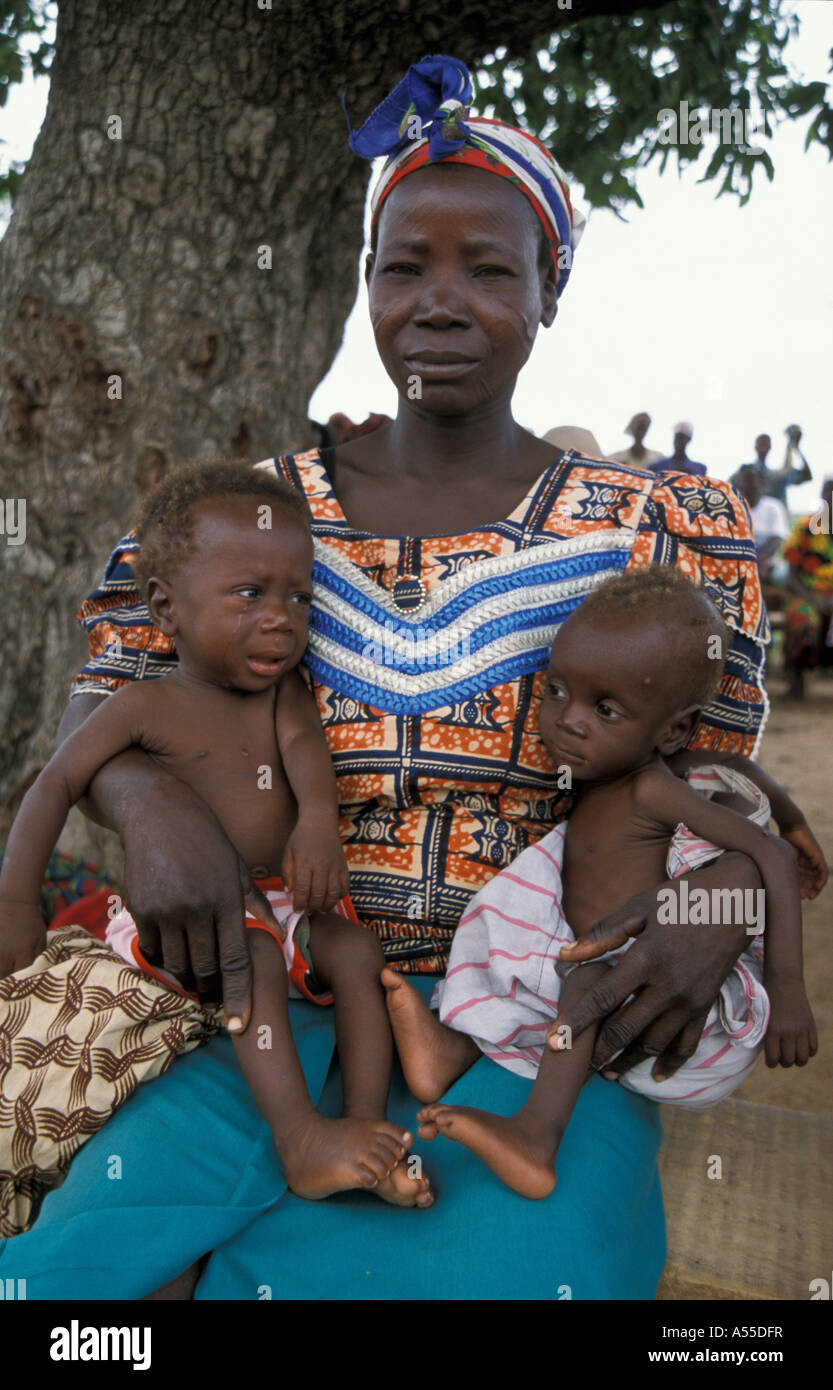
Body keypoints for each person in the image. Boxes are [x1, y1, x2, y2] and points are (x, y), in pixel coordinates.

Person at [0, 54, 773, 1301]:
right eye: (403, 264)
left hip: (537, 1026)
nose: (440, 301)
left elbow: (722, 778)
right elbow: (115, 689)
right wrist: (149, 809)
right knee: (87, 1271)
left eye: (488, 269)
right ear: (364, 282)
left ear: (548, 293)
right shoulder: (255, 517)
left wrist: (710, 910)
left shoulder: (652, 528)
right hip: (277, 994)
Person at [0, 461, 432, 1220]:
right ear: (166, 608)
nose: (281, 617)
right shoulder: (142, 706)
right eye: (249, 595)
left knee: (357, 952)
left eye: (297, 597)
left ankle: (364, 1122)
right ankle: (299, 1137)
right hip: (188, 926)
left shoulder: (285, 696)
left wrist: (316, 827)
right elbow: (53, 785)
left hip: (277, 899)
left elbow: (308, 765)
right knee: (254, 953)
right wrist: (14, 901)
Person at [382, 567, 824, 1199]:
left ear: (672, 728)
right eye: (558, 690)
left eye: (606, 709)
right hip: (588, 957)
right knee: (518, 920)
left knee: (585, 984)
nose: (569, 721)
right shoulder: (643, 767)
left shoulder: (650, 786)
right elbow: (734, 764)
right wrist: (792, 811)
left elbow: (772, 860)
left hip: (665, 1000)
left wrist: (789, 994)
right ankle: (455, 1050)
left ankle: (536, 1138)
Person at [781, 477, 833, 700]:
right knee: (802, 619)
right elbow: (792, 576)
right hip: (808, 595)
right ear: (823, 495)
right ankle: (797, 682)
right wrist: (813, 599)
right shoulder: (805, 527)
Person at [734, 464, 790, 581]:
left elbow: (776, 539)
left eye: (751, 482)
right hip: (736, 560)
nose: (746, 486)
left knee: (781, 576)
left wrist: (759, 560)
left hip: (766, 560)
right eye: (743, 482)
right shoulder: (732, 507)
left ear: (761, 483)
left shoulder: (773, 506)